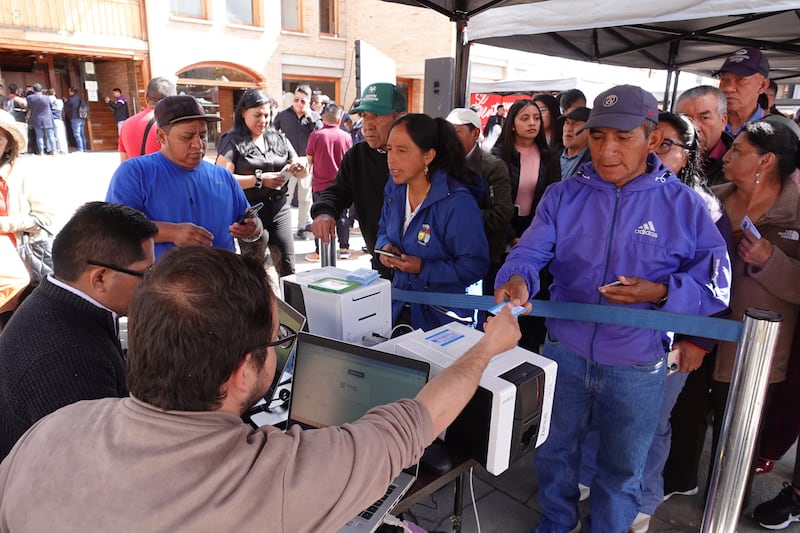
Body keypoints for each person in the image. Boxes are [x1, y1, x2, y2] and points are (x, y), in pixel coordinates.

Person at [0, 245, 521, 531]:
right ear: (241, 372)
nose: (279, 351)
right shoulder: (278, 479)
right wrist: (488, 345)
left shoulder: (50, 431)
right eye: (277, 342)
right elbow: (420, 417)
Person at [494, 85, 730, 533]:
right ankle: (558, 520)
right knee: (554, 449)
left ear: (651, 138)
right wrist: (518, 277)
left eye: (623, 137)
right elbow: (530, 251)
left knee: (623, 467)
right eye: (599, 136)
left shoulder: (684, 204)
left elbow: (716, 283)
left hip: (638, 361)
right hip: (564, 349)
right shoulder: (563, 195)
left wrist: (661, 292)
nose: (607, 150)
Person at [579, 112, 734, 532]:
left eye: (667, 145)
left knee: (651, 423)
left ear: (688, 153)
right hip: (607, 337)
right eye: (651, 141)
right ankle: (592, 480)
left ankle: (644, 498)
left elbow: (718, 284)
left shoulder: (702, 208)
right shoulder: (614, 194)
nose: (655, 152)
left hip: (667, 342)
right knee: (603, 416)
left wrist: (696, 342)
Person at [667, 119, 800, 502]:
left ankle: (727, 503)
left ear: (766, 161)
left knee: (740, 432)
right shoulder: (710, 200)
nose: (726, 156)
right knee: (685, 413)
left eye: (739, 150)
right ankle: (677, 480)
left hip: (756, 350)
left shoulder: (795, 213)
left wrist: (770, 260)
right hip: (700, 332)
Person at [0, 201, 157, 460]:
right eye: (145, 274)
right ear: (100, 278)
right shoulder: (67, 355)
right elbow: (89, 464)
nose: (151, 284)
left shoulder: (59, 300)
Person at [106, 95, 262, 259]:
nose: (198, 145)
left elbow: (252, 221)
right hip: (163, 274)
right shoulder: (134, 173)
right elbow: (115, 229)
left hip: (222, 272)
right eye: (187, 137)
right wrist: (171, 232)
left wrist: (253, 229)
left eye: (203, 135)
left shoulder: (223, 176)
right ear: (161, 136)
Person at [376, 113, 488, 330]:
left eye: (402, 150)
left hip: (446, 319)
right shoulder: (395, 189)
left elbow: (474, 266)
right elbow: (383, 229)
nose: (391, 159)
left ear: (428, 156)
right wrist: (385, 248)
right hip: (400, 308)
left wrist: (423, 267)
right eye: (389, 149)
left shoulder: (457, 203)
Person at [311, 82, 407, 276]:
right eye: (364, 116)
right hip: (381, 261)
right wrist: (324, 212)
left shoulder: (421, 155)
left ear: (400, 117)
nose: (368, 125)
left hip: (424, 268)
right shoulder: (357, 155)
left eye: (377, 116)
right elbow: (337, 192)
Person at [491, 98, 560, 352]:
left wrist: (533, 237)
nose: (532, 123)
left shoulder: (549, 156)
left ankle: (530, 350)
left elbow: (552, 200)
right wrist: (511, 237)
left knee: (533, 298)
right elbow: (495, 204)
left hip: (538, 229)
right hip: (504, 230)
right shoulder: (498, 156)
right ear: (512, 124)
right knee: (502, 293)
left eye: (536, 118)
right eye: (525, 118)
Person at [215, 88, 304, 276]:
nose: (263, 121)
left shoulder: (278, 138)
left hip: (279, 209)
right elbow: (221, 179)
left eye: (267, 115)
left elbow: (300, 168)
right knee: (254, 272)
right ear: (243, 112)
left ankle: (290, 297)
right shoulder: (232, 141)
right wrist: (259, 180)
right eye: (257, 115)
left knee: (288, 267)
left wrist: (299, 167)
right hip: (251, 212)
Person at [445, 107, 513, 295]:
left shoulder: (493, 166)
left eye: (457, 132)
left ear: (475, 133)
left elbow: (502, 213)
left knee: (487, 304)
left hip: (486, 251)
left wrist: (458, 220)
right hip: (450, 252)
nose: (451, 139)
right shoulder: (440, 165)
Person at [0, 109, 54, 322]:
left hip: (16, 264)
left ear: (9, 145)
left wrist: (6, 224)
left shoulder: (22, 174)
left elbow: (45, 217)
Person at [305, 103, 353, 261]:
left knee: (320, 215)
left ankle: (320, 250)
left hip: (320, 184)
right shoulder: (346, 137)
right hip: (341, 184)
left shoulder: (316, 135)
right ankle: (344, 248)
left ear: (324, 118)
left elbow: (309, 159)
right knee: (343, 216)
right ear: (339, 120)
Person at [272, 84, 321, 240]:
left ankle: (301, 227)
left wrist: (310, 117)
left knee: (305, 198)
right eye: (296, 100)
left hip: (307, 162)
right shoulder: (283, 115)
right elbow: (272, 134)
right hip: (288, 162)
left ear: (308, 102)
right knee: (285, 195)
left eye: (302, 101)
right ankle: (283, 226)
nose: (299, 103)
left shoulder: (314, 117)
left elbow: (320, 135)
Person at [676, 85, 731, 186]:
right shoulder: (663, 158)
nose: (694, 127)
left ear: (723, 121)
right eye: (686, 119)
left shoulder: (738, 165)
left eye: (704, 118)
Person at [118, 77, 176, 162]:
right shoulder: (171, 125)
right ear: (173, 101)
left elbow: (124, 163)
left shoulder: (126, 124)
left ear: (146, 98)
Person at [715, 47, 770, 137]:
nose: (728, 88)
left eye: (741, 79)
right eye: (724, 79)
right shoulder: (706, 125)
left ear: (762, 85)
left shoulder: (777, 130)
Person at [558, 106, 592, 180]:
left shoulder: (593, 162)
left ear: (589, 130)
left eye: (575, 124)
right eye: (567, 123)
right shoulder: (552, 156)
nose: (568, 129)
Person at [26, 83, 56, 155]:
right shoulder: (47, 98)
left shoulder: (30, 98)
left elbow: (29, 106)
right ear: (41, 89)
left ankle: (41, 151)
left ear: (33, 90)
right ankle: (54, 150)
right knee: (51, 135)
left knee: (39, 136)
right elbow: (51, 106)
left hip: (37, 118)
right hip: (47, 118)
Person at [65, 87, 88, 152]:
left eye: (69, 91)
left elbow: (67, 106)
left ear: (72, 92)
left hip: (75, 118)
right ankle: (84, 148)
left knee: (77, 134)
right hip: (82, 117)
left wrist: (65, 101)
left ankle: (80, 148)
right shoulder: (80, 98)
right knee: (82, 134)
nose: (68, 92)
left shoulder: (71, 99)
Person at [47, 89, 68, 155]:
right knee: (60, 135)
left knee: (50, 135)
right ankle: (62, 150)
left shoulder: (46, 100)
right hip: (58, 119)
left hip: (49, 119)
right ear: (54, 93)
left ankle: (51, 149)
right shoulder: (59, 101)